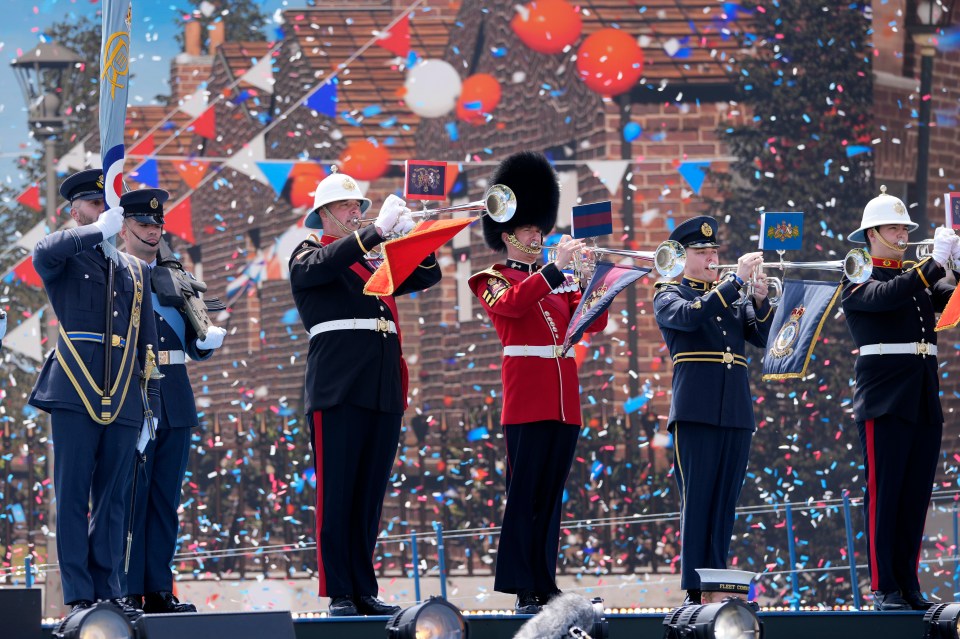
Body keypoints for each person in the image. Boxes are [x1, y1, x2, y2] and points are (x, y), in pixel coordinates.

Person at [288, 168, 441, 616]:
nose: (357, 212)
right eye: (348, 207)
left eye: (360, 207)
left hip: (380, 384)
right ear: (325, 214)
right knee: (337, 492)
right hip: (338, 384)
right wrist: (375, 232)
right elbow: (326, 264)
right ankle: (340, 589)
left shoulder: (375, 261)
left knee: (369, 494)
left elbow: (424, 276)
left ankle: (362, 585)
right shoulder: (308, 253)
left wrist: (416, 236)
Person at [468, 151, 608, 614]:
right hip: (527, 398)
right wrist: (553, 271)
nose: (537, 235)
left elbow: (593, 323)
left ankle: (544, 581)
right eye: (529, 230)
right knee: (525, 494)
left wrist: (591, 279)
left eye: (539, 228)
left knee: (550, 497)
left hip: (565, 399)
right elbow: (511, 306)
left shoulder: (558, 282)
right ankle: (523, 583)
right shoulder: (490, 278)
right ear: (507, 234)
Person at [28, 169, 160, 627]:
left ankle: (111, 590)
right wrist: (91, 233)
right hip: (75, 388)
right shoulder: (66, 256)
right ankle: (81, 595)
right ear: (75, 210)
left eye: (109, 206)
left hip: (123, 391)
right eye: (93, 203)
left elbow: (147, 345)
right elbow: (41, 252)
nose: (104, 211)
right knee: (73, 492)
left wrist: (151, 408)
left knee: (114, 499)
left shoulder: (136, 270)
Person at [841, 186, 958, 611]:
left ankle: (908, 584)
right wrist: (933, 265)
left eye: (905, 227)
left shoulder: (917, 278)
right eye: (894, 227)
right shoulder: (859, 273)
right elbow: (884, 296)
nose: (903, 233)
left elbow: (953, 310)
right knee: (885, 493)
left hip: (922, 394)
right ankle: (883, 586)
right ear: (873, 233)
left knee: (914, 495)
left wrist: (958, 271)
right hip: (885, 396)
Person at [116, 188, 227, 614]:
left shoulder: (176, 273)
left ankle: (159, 587)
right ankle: (127, 587)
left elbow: (195, 343)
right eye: (144, 225)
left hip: (175, 394)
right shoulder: (115, 272)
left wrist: (207, 340)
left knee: (165, 499)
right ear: (125, 228)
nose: (152, 232)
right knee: (131, 500)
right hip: (133, 391)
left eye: (157, 225)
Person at [652, 215, 773, 605]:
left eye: (713, 251)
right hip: (696, 411)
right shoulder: (668, 293)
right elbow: (691, 316)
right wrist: (734, 283)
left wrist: (758, 297)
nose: (710, 257)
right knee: (699, 500)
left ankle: (716, 586)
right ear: (681, 257)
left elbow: (761, 337)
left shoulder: (732, 296)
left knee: (725, 502)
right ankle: (694, 589)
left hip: (735, 410)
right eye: (701, 252)